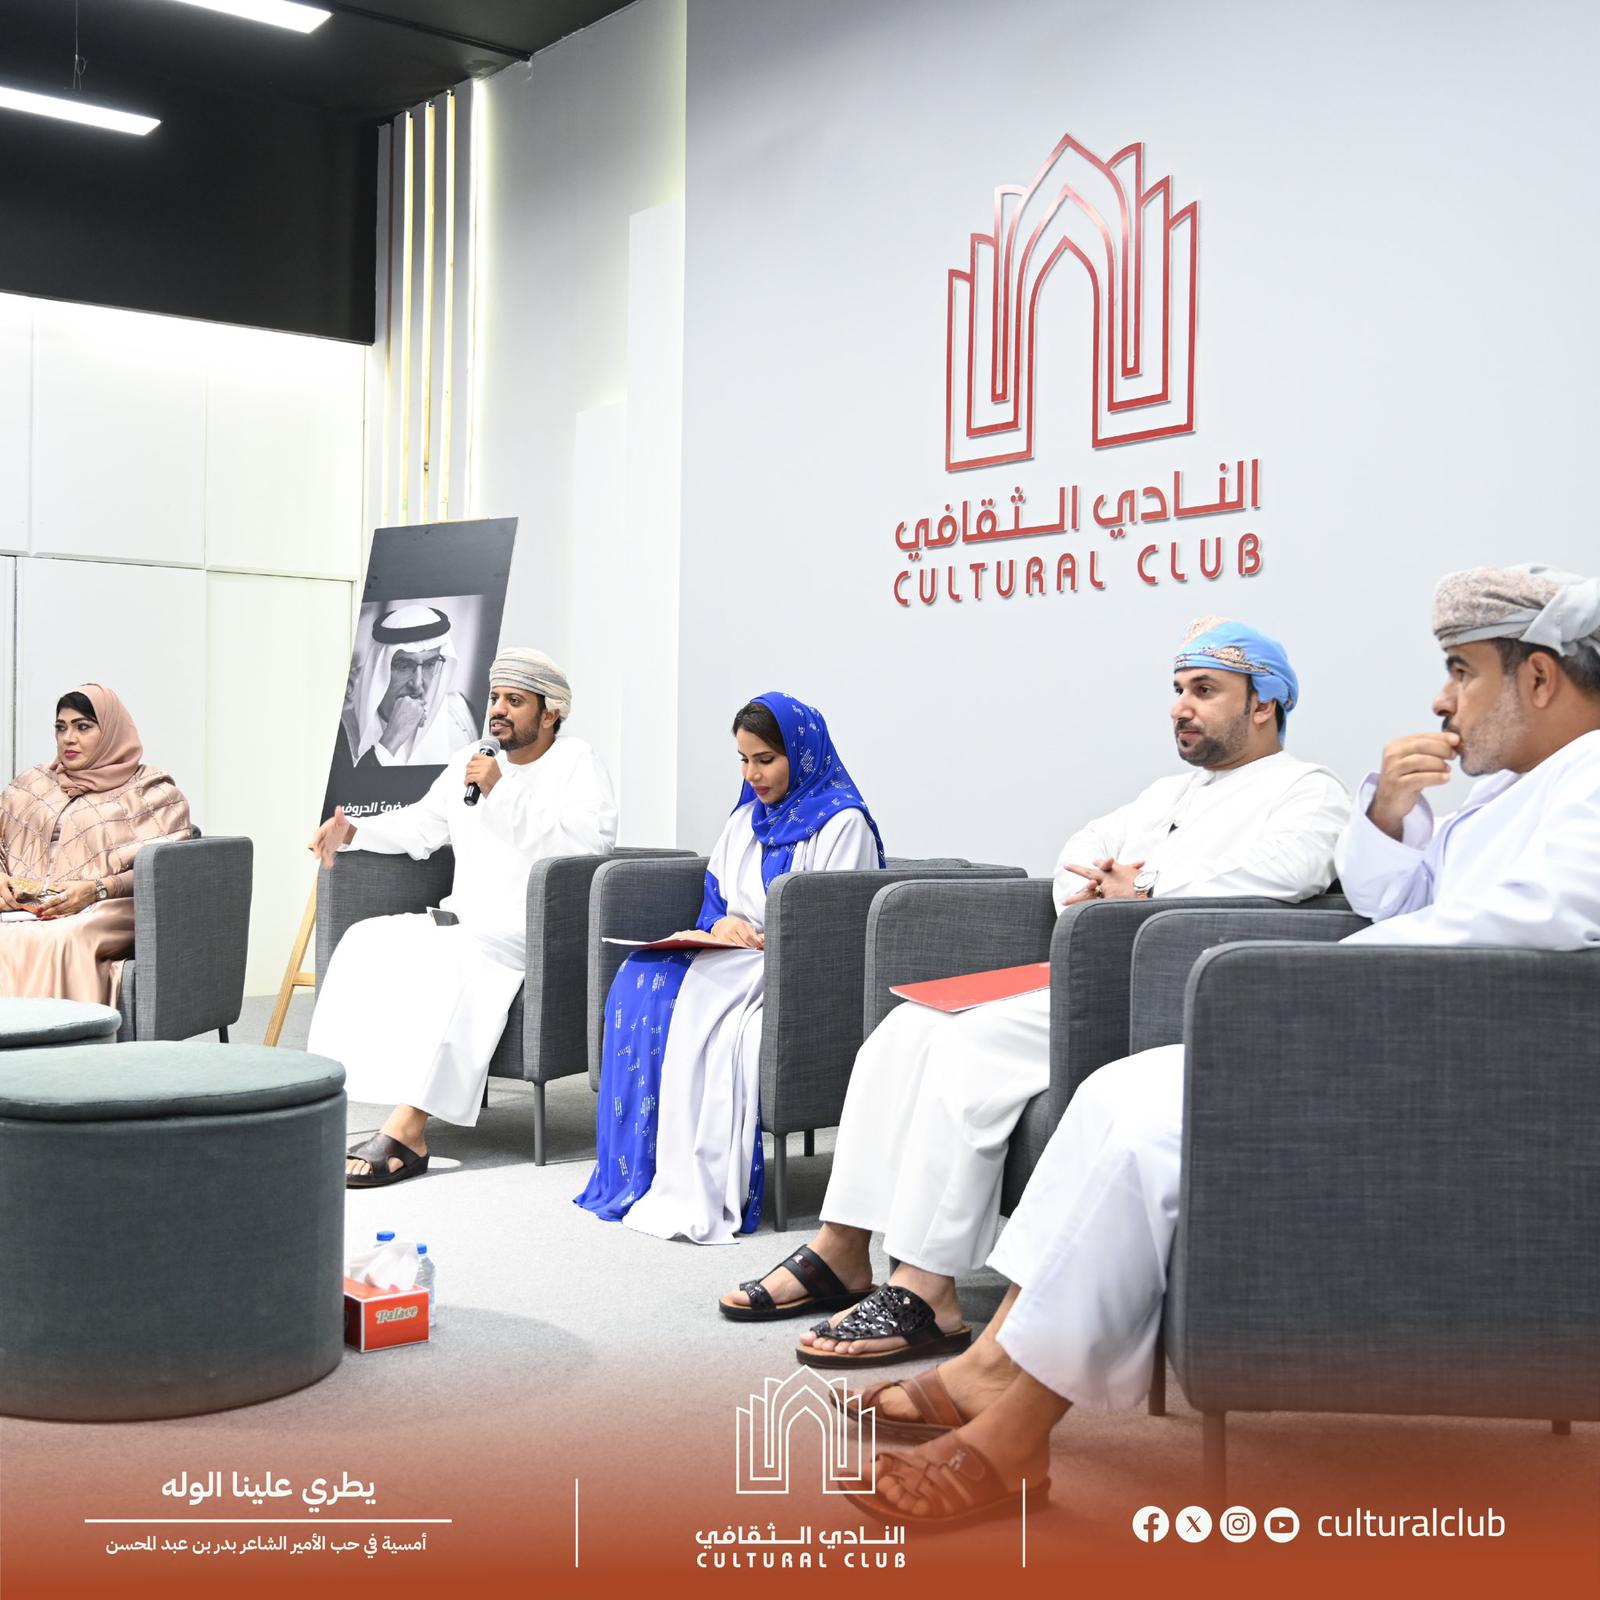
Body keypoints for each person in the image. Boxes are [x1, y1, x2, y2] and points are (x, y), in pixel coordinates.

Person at [840, 564, 1600, 1528]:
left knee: (1158, 1133)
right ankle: (992, 1364)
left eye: (1462, 670)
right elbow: (1404, 903)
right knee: (1116, 1091)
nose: (1442, 701)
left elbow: (1527, 924)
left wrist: (1326, 980)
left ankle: (1016, 1433)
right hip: (1408, 1036)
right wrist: (1390, 821)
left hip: (1466, 1084)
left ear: (1539, 677)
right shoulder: (1522, 793)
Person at [718, 619, 1351, 1356]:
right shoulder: (1167, 794)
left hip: (1169, 995)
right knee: (906, 1029)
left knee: (966, 1049)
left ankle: (928, 1290)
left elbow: (1289, 870)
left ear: (1264, 703)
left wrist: (1145, 884)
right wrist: (1099, 890)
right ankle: (842, 1249)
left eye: (1204, 691)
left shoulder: (1309, 791)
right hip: (1093, 972)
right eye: (1178, 689)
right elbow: (1081, 852)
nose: (1180, 707)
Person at [575, 693, 885, 1244]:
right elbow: (714, 905)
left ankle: (695, 1176)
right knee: (638, 976)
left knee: (680, 998)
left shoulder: (844, 823)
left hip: (790, 970)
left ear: (802, 753)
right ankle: (640, 1171)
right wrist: (722, 927)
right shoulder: (745, 819)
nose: (752, 775)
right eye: (743, 760)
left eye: (766, 759)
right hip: (733, 958)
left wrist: (765, 937)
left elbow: (833, 927)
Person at [308, 649, 617, 1186]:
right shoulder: (472, 759)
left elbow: (587, 847)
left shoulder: (576, 761)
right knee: (365, 940)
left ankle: (410, 1131)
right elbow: (421, 826)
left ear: (550, 713)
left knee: (457, 959)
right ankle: (327, 1104)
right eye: (495, 698)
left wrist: (502, 791)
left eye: (515, 701)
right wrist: (354, 831)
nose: (498, 710)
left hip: (530, 930)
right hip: (465, 918)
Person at [0, 684, 191, 1005]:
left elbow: (166, 868)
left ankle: (64, 1034)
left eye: (83, 727)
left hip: (109, 906)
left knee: (61, 939)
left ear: (112, 731)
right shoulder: (31, 785)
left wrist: (96, 889)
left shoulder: (151, 791)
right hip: (28, 905)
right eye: (61, 727)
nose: (68, 738)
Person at [331, 603, 479, 776]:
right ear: (379, 669)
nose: (417, 683)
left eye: (429, 664)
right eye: (404, 666)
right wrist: (390, 740)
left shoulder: (461, 717)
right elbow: (352, 793)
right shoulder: (342, 731)